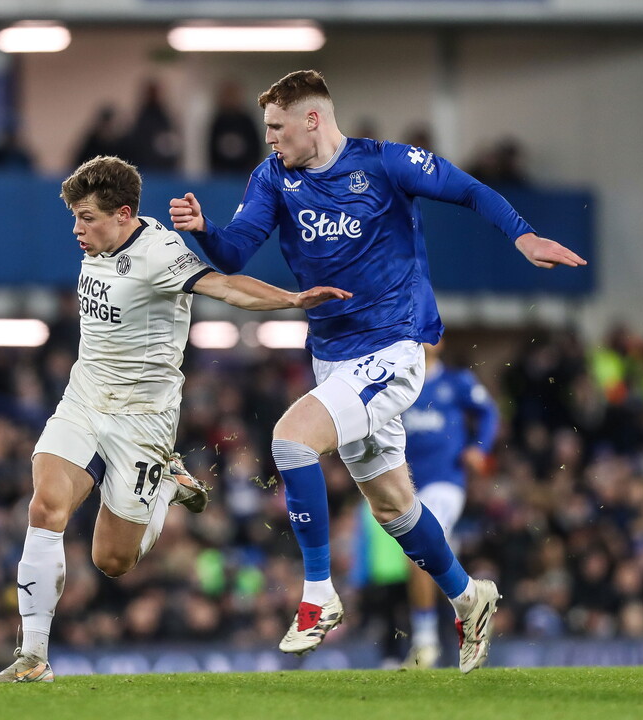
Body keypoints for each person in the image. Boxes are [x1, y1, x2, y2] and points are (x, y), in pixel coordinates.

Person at [169, 69, 586, 674]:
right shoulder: (272, 178)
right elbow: (235, 252)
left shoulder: (387, 164)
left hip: (394, 348)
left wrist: (523, 236)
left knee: (290, 441)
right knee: (395, 510)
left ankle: (318, 595)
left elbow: (469, 189)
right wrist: (205, 229)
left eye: (277, 128)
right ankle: (471, 599)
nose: (270, 140)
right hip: (333, 357)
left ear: (313, 119)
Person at [0, 155, 350, 684]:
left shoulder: (159, 252)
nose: (77, 228)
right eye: (75, 217)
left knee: (112, 561)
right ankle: (33, 658)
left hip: (142, 422)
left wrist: (292, 299)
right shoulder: (98, 245)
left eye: (86, 217)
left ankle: (164, 486)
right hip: (84, 402)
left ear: (124, 213)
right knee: (45, 505)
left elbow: (225, 286)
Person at [399, 340, 499, 669]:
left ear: (441, 342)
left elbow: (489, 412)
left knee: (420, 552)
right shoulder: (397, 385)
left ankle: (426, 643)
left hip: (446, 483)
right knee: (419, 561)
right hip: (406, 487)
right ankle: (470, 608)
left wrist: (479, 448)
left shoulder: (457, 382)